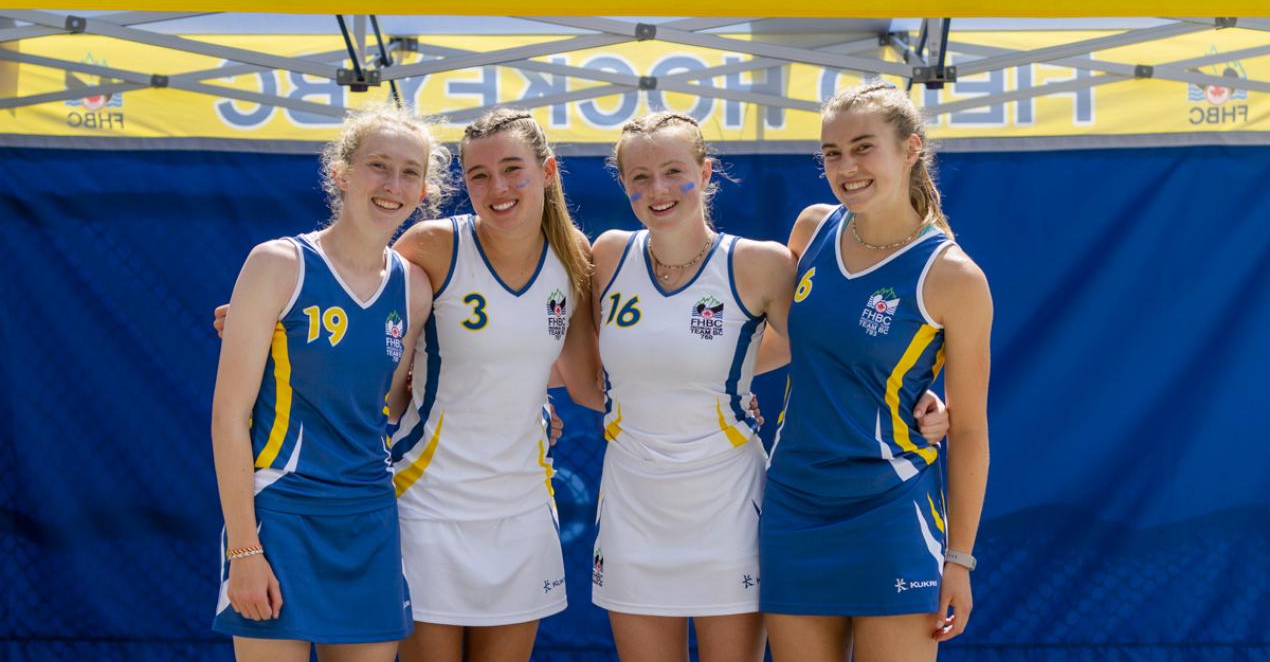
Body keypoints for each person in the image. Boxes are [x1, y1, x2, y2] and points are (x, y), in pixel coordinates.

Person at [590, 112, 951, 662]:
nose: (656, 190)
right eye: (638, 177)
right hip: (631, 503)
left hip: (729, 505)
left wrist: (919, 393)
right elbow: (574, 355)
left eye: (672, 171)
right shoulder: (608, 254)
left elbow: (830, 343)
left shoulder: (760, 263)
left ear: (706, 172)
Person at [760, 82, 992, 662]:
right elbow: (782, 347)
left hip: (890, 510)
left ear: (911, 148)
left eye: (863, 148)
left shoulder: (954, 277)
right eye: (832, 153)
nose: (846, 167)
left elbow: (968, 432)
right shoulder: (812, 229)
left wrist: (959, 560)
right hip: (793, 504)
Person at [210, 103, 444, 662]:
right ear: (340, 173)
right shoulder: (278, 263)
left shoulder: (413, 287)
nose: (393, 184)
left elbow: (391, 403)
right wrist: (244, 548)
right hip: (281, 515)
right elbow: (227, 418)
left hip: (368, 516)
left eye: (410, 171)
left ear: (424, 189)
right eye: (378, 166)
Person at [388, 109, 602, 662]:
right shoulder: (432, 245)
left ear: (548, 170)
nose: (497, 188)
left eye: (513, 168)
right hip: (427, 504)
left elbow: (586, 384)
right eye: (479, 175)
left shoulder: (575, 253)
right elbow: (356, 314)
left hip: (522, 507)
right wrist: (268, 322)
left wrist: (721, 380)